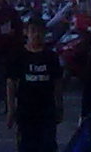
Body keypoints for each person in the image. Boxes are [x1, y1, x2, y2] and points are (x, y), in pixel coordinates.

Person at [8, 19, 68, 152]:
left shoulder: (51, 57)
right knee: (27, 145)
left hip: (47, 110)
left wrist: (59, 106)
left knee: (47, 145)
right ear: (26, 33)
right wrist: (11, 109)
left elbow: (57, 83)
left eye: (40, 31)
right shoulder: (19, 55)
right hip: (26, 111)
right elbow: (11, 82)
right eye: (33, 31)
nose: (36, 35)